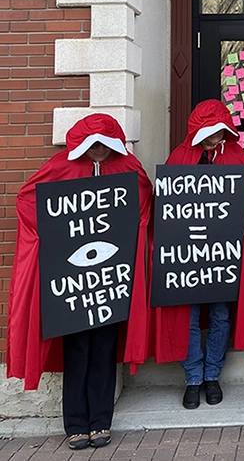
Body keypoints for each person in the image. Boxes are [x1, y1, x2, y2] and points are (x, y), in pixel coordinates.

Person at [7, 114, 152, 450]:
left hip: (110, 281)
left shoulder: (128, 168)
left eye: (104, 144)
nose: (99, 150)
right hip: (73, 284)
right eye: (93, 145)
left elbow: (144, 202)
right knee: (77, 350)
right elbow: (29, 201)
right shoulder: (60, 166)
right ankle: (75, 424)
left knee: (104, 348)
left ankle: (101, 421)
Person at [150, 99, 244, 409]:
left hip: (223, 254)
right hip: (187, 255)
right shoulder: (180, 157)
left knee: (221, 315)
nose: (214, 138)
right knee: (190, 317)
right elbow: (166, 205)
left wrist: (242, 235)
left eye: (219, 131)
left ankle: (213, 374)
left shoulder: (237, 156)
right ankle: (193, 376)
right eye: (209, 132)